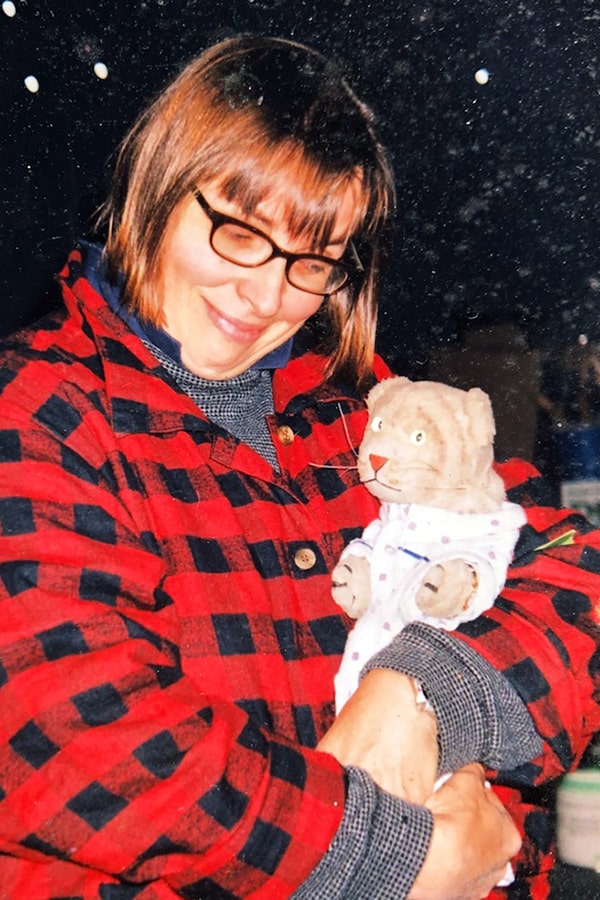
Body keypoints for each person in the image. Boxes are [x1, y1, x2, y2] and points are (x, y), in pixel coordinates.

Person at [0, 33, 597, 899]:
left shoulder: (364, 408)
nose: (268, 294)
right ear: (158, 188)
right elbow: (74, 739)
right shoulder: (41, 413)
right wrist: (391, 859)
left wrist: (425, 695)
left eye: (312, 260)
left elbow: (572, 564)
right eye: (239, 232)